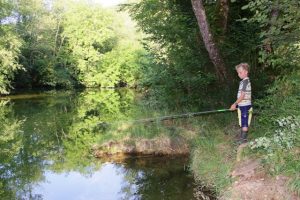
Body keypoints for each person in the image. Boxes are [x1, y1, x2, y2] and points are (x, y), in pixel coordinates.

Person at [230, 63, 253, 144]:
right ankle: (242, 138)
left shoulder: (246, 81)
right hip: (242, 106)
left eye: (240, 72)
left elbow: (242, 96)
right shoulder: (243, 81)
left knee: (244, 123)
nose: (238, 74)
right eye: (238, 72)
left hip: (245, 106)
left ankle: (243, 140)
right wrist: (238, 105)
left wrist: (235, 104)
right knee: (242, 122)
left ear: (246, 72)